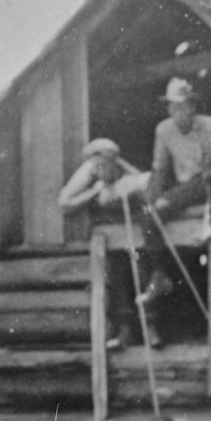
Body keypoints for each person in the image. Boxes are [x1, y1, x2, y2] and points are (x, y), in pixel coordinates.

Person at [136, 78, 211, 343]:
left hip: (206, 183)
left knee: (209, 175)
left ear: (193, 106)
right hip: (183, 188)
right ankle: (159, 273)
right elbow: (159, 169)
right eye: (172, 108)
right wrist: (152, 197)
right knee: (150, 215)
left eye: (182, 107)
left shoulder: (210, 126)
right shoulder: (164, 130)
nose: (177, 114)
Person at [58, 138, 150, 350]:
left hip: (133, 228)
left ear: (114, 162)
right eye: (96, 166)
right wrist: (94, 192)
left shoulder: (126, 172)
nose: (99, 171)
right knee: (116, 275)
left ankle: (151, 329)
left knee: (143, 270)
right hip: (106, 233)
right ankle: (124, 332)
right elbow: (64, 203)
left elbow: (148, 188)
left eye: (103, 166)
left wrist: (127, 190)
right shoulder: (89, 170)